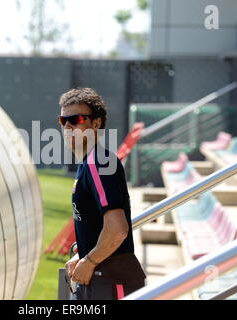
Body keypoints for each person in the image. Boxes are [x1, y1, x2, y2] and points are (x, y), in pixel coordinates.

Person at [59, 87, 146, 300]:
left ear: (95, 123)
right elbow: (97, 224)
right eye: (63, 120)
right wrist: (84, 255)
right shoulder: (89, 163)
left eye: (76, 119)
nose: (68, 125)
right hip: (99, 275)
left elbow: (117, 229)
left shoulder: (99, 163)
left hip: (110, 279)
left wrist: (89, 262)